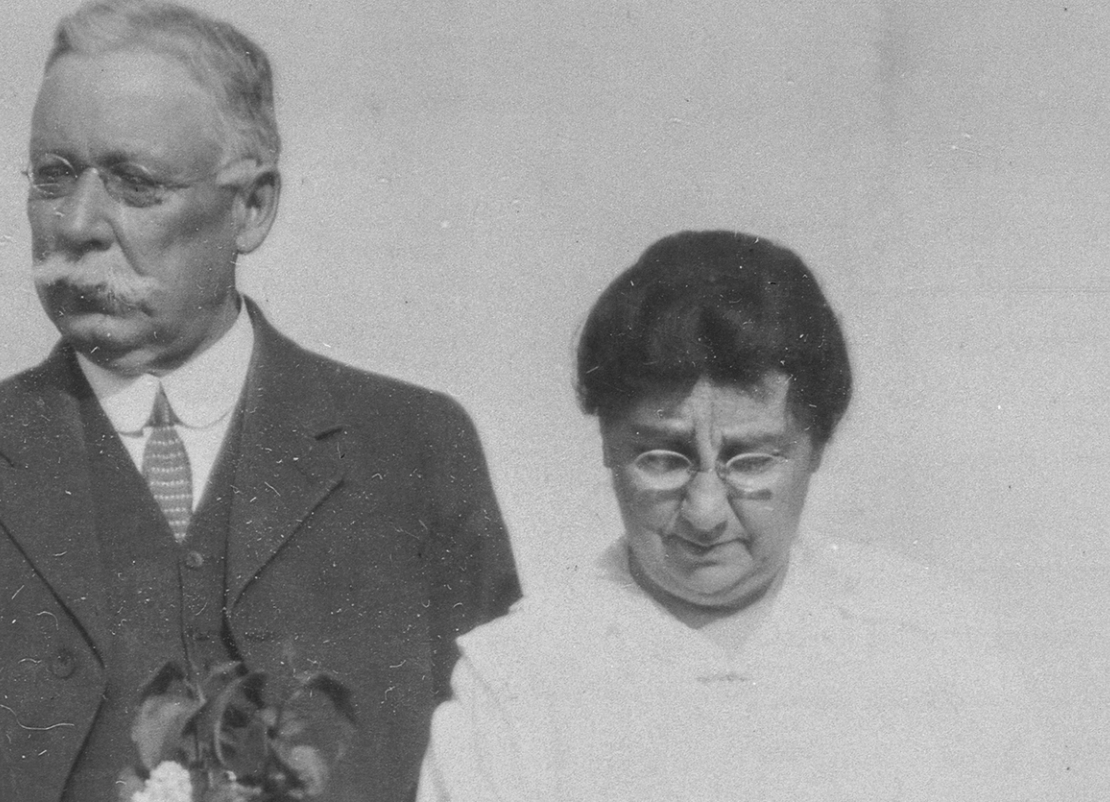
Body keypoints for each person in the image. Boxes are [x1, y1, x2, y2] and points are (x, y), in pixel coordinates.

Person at [0, 0, 520, 802]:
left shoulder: (411, 454)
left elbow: (512, 764)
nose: (78, 223)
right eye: (54, 177)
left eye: (134, 183)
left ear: (252, 207)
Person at [416, 231, 1039, 801]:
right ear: (607, 444)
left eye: (751, 460)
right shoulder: (518, 680)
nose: (706, 513)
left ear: (817, 448)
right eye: (663, 458)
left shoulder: (935, 649)